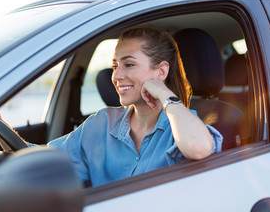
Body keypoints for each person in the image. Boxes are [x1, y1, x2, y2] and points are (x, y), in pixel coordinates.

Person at [47, 27, 223, 187]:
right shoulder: (102, 122)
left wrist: (164, 94)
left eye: (129, 64)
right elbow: (44, 164)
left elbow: (199, 148)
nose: (116, 76)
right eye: (115, 66)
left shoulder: (183, 127)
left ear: (161, 71)